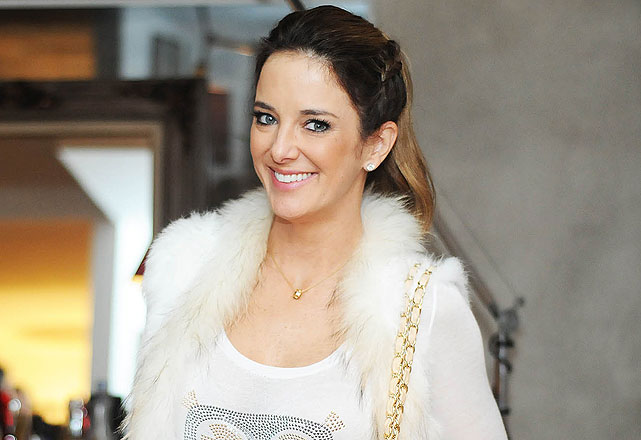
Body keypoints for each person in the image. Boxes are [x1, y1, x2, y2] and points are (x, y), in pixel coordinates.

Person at [124, 5, 507, 440]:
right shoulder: (183, 269)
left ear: (376, 145)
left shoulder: (423, 308)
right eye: (266, 118)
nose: (280, 149)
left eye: (316, 125)